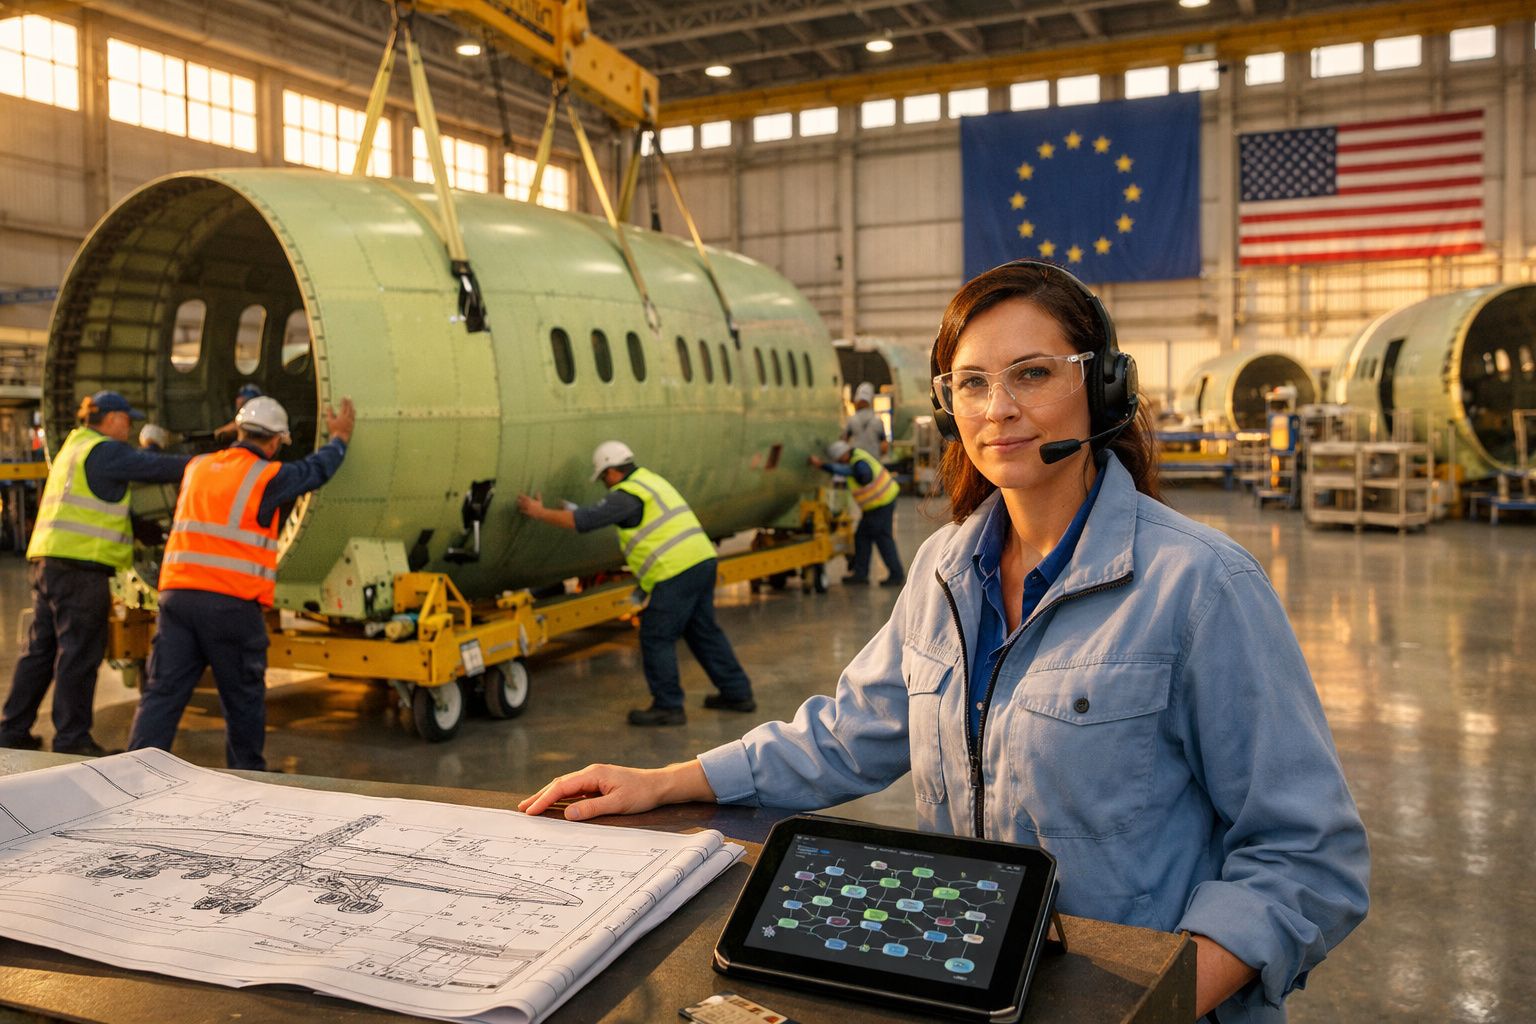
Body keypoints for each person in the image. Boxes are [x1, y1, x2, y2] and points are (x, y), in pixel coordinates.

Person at [519, 262, 1370, 1023]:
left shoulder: (1197, 586)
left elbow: (1306, 856)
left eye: (1032, 375)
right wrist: (671, 780)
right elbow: (851, 732)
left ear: (1103, 389)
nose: (998, 409)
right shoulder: (944, 569)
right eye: (971, 383)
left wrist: (1157, 1000)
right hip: (970, 983)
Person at [127, 396, 355, 770]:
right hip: (230, 604)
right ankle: (246, 777)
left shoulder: (198, 468)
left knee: (163, 693)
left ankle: (133, 775)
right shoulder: (267, 476)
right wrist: (340, 439)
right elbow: (317, 470)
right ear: (275, 441)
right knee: (242, 699)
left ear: (239, 430)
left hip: (176, 599)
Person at [0, 391, 191, 755]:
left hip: (48, 564)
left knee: (40, 651)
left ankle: (11, 730)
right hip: (80, 572)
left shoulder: (74, 447)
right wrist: (207, 460)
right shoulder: (105, 451)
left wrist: (138, 527)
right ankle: (72, 739)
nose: (130, 426)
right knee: (79, 654)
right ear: (112, 418)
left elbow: (96, 502)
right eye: (127, 419)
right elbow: (156, 467)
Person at [515, 442, 756, 727]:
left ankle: (668, 706)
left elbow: (585, 522)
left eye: (604, 477)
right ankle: (737, 693)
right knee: (703, 631)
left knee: (656, 636)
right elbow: (609, 513)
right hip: (701, 560)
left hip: (675, 571)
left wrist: (538, 512)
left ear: (614, 471)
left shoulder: (625, 495)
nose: (605, 484)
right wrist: (579, 510)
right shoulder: (649, 482)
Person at [809, 440, 904, 587]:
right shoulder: (857, 457)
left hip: (880, 504)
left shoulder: (859, 463)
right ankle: (863, 573)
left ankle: (892, 575)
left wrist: (823, 466)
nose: (841, 463)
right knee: (864, 537)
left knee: (880, 539)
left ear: (843, 455)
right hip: (879, 504)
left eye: (840, 460)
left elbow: (863, 476)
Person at [842, 381, 889, 457]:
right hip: (874, 462)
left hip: (857, 461)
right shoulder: (878, 421)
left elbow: (844, 442)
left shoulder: (851, 420)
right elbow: (884, 447)